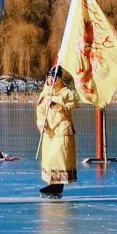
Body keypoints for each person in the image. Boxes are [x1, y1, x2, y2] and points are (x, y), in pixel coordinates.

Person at [36, 66, 77, 199]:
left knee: (60, 158)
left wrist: (56, 105)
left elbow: (72, 106)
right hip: (50, 131)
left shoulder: (66, 92)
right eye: (49, 77)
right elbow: (40, 112)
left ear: (59, 79)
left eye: (54, 77)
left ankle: (58, 186)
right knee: (50, 158)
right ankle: (52, 183)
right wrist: (41, 124)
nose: (50, 80)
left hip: (62, 129)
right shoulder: (44, 93)